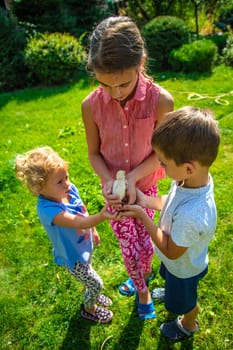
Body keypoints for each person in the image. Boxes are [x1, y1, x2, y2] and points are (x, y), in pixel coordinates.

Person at [81, 15, 174, 320]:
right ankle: (142, 289)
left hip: (146, 189)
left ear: (141, 63)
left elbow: (163, 154)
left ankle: (142, 274)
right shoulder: (90, 105)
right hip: (114, 196)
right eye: (104, 84)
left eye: (123, 83)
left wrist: (134, 178)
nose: (115, 93)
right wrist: (109, 180)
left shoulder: (161, 101)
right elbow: (94, 154)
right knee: (128, 245)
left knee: (147, 242)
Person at [121, 106, 220, 340]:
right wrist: (147, 200)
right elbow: (171, 200)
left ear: (187, 167)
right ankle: (171, 292)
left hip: (183, 269)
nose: (161, 168)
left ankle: (188, 322)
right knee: (169, 279)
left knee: (183, 302)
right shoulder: (192, 180)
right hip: (176, 264)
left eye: (164, 164)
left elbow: (171, 251)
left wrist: (143, 216)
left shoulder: (192, 216)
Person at [15, 146, 120, 323]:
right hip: (74, 257)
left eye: (67, 177)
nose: (67, 184)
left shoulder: (68, 191)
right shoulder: (48, 210)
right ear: (40, 187)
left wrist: (93, 230)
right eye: (60, 181)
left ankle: (91, 293)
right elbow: (78, 222)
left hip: (84, 246)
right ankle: (89, 308)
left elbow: (82, 210)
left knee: (91, 278)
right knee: (97, 283)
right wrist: (102, 216)